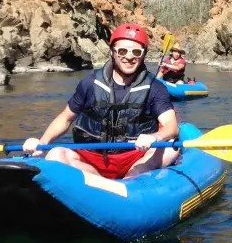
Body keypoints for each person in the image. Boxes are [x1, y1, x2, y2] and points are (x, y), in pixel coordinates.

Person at [22, 23, 179, 179]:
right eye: (122, 51)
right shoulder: (90, 83)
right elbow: (66, 118)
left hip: (136, 158)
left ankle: (130, 182)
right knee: (55, 154)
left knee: (171, 146)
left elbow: (172, 126)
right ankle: (100, 185)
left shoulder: (155, 88)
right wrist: (41, 143)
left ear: (143, 55)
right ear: (112, 52)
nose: (129, 57)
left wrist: (155, 137)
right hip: (93, 159)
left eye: (136, 52)